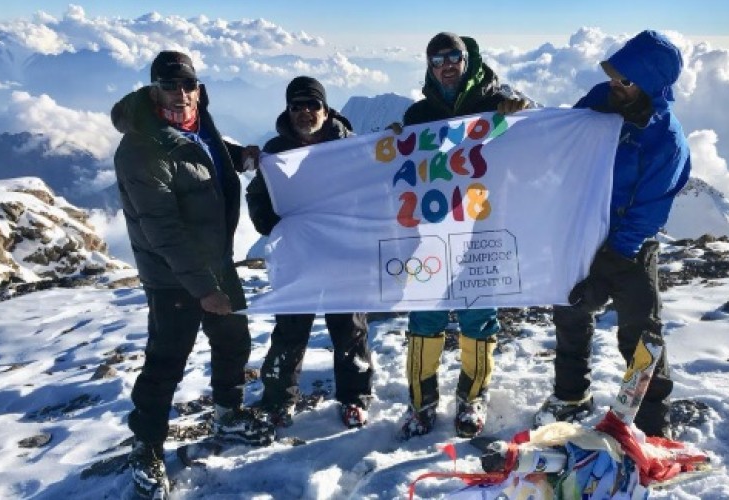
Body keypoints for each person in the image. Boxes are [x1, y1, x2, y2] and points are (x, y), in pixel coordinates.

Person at [111, 50, 273, 499]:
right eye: (169, 86)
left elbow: (207, 158)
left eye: (188, 85)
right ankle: (145, 448)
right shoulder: (141, 146)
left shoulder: (198, 121)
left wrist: (243, 157)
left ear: (199, 88)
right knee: (166, 361)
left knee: (233, 340)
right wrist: (203, 289)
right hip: (172, 275)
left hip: (216, 260)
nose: (181, 94)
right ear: (153, 89)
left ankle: (227, 413)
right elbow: (161, 227)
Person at [533, 30, 691, 439]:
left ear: (651, 84)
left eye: (626, 81)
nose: (616, 86)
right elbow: (565, 137)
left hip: (632, 245)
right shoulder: (600, 100)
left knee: (641, 333)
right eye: (615, 76)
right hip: (583, 229)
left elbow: (649, 210)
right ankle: (571, 396)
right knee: (570, 313)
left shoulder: (667, 140)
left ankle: (652, 424)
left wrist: (610, 259)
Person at [396, 32, 530, 440]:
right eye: (437, 59)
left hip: (482, 232)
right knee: (425, 317)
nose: (446, 65)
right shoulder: (418, 115)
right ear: (429, 66)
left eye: (453, 56)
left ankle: (472, 397)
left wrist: (520, 109)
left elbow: (540, 132)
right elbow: (401, 163)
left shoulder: (495, 104)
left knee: (477, 317)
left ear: (467, 59)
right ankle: (422, 404)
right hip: (431, 234)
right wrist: (389, 140)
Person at [246, 76, 375, 429]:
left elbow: (376, 189)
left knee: (350, 330)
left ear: (326, 108)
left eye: (312, 104)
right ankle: (278, 400)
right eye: (296, 106)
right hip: (298, 256)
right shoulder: (276, 150)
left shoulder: (351, 147)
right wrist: (271, 223)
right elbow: (257, 195)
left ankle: (354, 398)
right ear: (288, 110)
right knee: (290, 328)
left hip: (343, 253)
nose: (305, 112)